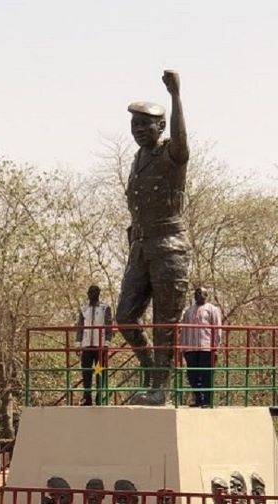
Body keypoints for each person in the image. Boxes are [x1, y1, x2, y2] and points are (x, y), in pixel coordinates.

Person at [116, 70, 191, 406]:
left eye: (146, 126)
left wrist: (175, 96)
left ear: (160, 128)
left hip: (169, 248)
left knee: (165, 322)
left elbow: (182, 141)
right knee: (124, 317)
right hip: (141, 248)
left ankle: (160, 388)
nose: (139, 132)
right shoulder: (137, 159)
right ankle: (150, 371)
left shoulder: (171, 155)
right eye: (135, 127)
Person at [180, 287, 222, 407]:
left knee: (206, 374)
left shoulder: (212, 310)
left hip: (206, 348)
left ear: (206, 295)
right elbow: (184, 330)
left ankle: (207, 401)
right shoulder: (188, 311)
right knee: (192, 375)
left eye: (201, 293)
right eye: (196, 293)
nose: (198, 295)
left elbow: (217, 329)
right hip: (191, 348)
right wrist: (182, 348)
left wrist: (216, 348)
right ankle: (198, 399)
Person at [75, 285, 113, 406]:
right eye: (90, 292)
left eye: (95, 292)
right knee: (86, 372)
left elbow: (108, 325)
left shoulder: (104, 308)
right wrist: (78, 343)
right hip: (87, 346)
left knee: (99, 372)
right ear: (88, 293)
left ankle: (99, 396)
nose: (92, 294)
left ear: (98, 293)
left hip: (100, 346)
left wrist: (107, 342)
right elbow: (80, 326)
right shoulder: (84, 308)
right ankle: (87, 397)